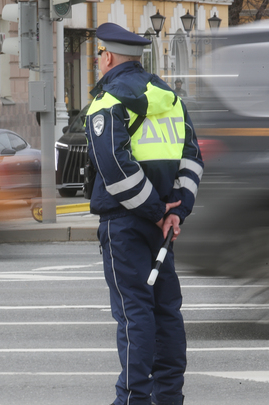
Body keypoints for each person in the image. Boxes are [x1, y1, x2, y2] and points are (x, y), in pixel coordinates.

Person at [85, 23, 203, 405]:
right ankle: (169, 397)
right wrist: (177, 211)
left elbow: (115, 169)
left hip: (125, 224)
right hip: (163, 225)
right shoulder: (170, 98)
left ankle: (132, 399)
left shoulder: (108, 102)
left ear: (107, 57)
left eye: (99, 56)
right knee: (166, 310)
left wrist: (155, 212)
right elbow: (193, 159)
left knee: (134, 314)